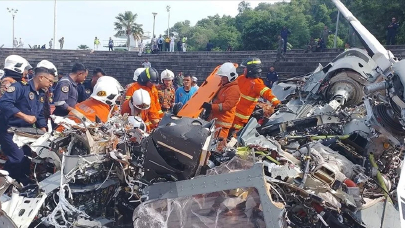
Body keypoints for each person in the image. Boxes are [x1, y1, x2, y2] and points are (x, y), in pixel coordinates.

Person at [0, 65, 54, 185]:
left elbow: (39, 114)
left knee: (26, 158)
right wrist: (24, 116)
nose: (51, 84)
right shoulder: (19, 87)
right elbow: (4, 104)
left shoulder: (40, 94)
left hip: (25, 132)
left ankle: (21, 181)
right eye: (49, 81)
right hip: (9, 130)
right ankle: (4, 183)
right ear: (41, 77)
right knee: (17, 158)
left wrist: (44, 131)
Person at [231, 57, 280, 134]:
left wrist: (277, 103)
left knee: (234, 135)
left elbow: (267, 93)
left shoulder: (257, 84)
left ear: (251, 70)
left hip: (241, 118)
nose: (244, 70)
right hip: (232, 112)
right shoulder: (241, 78)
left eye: (245, 68)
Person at [202, 62, 240, 150]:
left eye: (224, 77)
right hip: (215, 123)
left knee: (218, 148)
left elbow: (227, 106)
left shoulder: (234, 89)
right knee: (210, 146)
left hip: (222, 125)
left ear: (231, 76)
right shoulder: (224, 86)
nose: (222, 79)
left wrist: (211, 107)